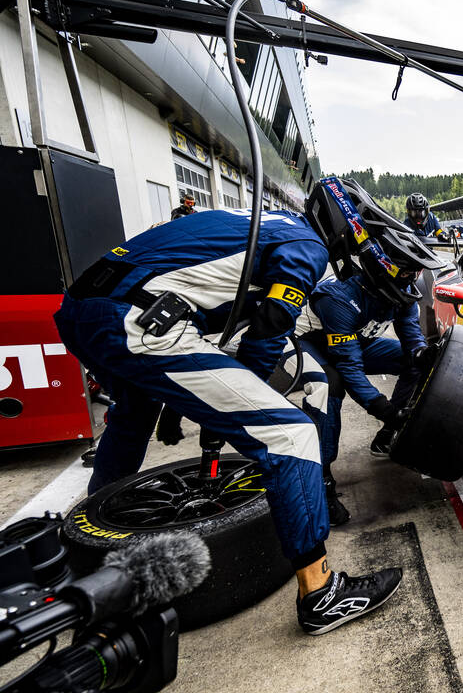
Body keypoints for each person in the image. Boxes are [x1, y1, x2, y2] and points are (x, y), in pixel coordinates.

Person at [54, 179, 405, 636]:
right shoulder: (308, 246)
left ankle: (89, 553)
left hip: (84, 310)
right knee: (289, 433)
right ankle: (321, 595)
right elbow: (268, 330)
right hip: (141, 319)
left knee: (132, 416)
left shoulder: (266, 222)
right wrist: (237, 411)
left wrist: (197, 406)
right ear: (346, 226)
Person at [286, 181, 443, 524]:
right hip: (307, 342)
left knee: (412, 362)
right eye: (408, 273)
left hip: (353, 339)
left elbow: (411, 336)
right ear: (384, 269)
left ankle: (387, 437)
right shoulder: (340, 299)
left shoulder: (402, 290)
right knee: (330, 387)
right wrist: (383, 408)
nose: (412, 280)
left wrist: (421, 354)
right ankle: (321, 482)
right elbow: (351, 367)